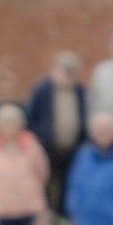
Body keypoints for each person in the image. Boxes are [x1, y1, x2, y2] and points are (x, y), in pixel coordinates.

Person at [24, 51, 87, 213]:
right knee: (45, 185)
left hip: (71, 148)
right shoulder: (42, 90)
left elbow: (84, 116)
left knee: (67, 186)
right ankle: (45, 220)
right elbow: (30, 117)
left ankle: (62, 220)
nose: (67, 74)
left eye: (71, 71)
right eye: (64, 70)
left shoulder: (79, 91)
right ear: (55, 69)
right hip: (46, 147)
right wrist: (36, 141)